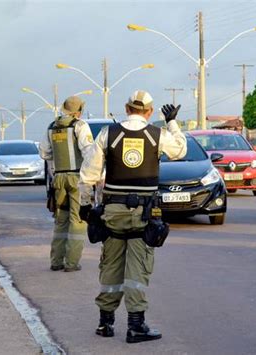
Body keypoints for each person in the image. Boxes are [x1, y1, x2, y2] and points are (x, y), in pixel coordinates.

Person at [79, 90, 187, 343]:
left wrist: (85, 206)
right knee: (137, 269)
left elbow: (89, 173)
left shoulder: (109, 133)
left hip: (112, 212)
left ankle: (105, 323)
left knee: (111, 265)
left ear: (127, 109)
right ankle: (136, 326)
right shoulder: (156, 134)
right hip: (143, 214)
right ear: (149, 112)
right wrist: (171, 122)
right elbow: (180, 150)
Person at [39, 96, 94, 272]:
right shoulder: (80, 125)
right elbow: (88, 151)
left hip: (59, 178)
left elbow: (44, 153)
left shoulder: (51, 127)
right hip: (77, 178)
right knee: (77, 220)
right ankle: (71, 263)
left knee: (61, 220)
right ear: (79, 111)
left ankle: (56, 261)